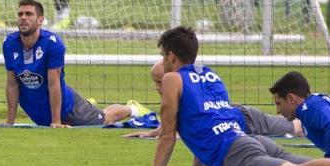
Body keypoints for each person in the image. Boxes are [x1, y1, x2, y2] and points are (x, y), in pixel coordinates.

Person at [124, 27, 330, 166]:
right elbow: (204, 130)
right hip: (249, 141)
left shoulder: (173, 79)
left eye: (163, 56)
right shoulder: (211, 76)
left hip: (237, 155)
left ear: (171, 56)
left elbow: (169, 135)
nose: (163, 62)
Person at [3, 0, 146, 128]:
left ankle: (133, 108)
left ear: (40, 20)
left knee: (106, 118)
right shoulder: (9, 43)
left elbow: (54, 83)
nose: (23, 18)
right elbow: (12, 83)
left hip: (68, 108)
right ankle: (89, 104)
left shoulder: (52, 43)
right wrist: (9, 123)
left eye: (28, 14)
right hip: (38, 110)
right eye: (20, 14)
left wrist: (56, 122)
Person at [123, 61, 304, 139]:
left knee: (296, 129)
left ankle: (310, 114)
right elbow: (173, 121)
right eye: (155, 82)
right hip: (232, 120)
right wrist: (151, 133)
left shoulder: (189, 90)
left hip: (245, 119)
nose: (157, 87)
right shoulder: (181, 90)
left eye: (159, 82)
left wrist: (173, 135)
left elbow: (196, 122)